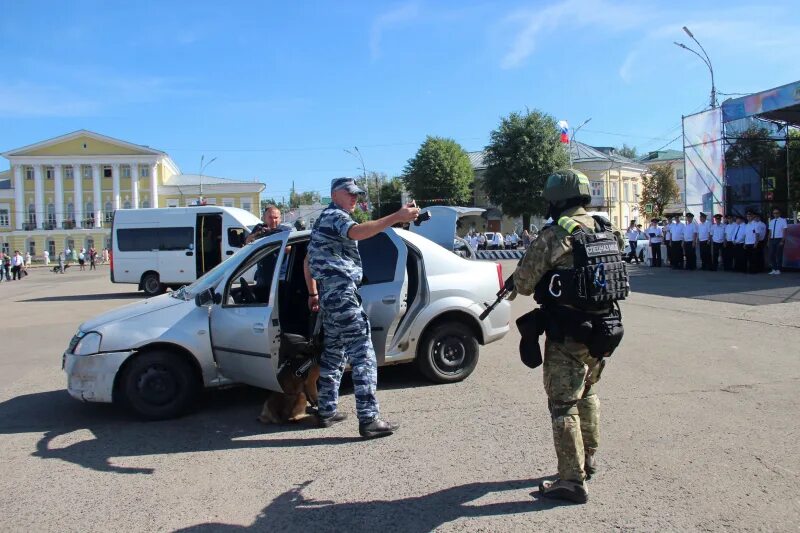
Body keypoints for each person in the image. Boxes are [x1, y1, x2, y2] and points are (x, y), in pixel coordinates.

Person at [512, 169, 627, 504]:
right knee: (588, 392)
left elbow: (523, 283)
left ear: (557, 199)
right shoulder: (608, 228)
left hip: (568, 333)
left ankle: (572, 481)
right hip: (606, 328)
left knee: (562, 404)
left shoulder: (554, 234)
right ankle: (588, 459)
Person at [306, 177, 419, 439]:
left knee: (334, 353)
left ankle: (326, 410)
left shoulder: (323, 220)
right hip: (341, 294)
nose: (355, 198)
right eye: (350, 193)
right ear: (335, 194)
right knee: (363, 354)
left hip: (330, 295)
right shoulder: (336, 216)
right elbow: (358, 232)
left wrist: (314, 292)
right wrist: (396, 216)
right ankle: (369, 419)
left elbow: (307, 261)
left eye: (357, 194)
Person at [767, 208, 788, 275]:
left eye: (777, 213)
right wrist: (768, 240)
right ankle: (774, 268)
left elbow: (785, 231)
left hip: (779, 239)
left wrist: (782, 240)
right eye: (774, 213)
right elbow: (770, 232)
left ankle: (778, 269)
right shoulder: (771, 221)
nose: (775, 214)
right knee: (771, 255)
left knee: (778, 255)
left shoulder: (783, 220)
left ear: (779, 213)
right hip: (772, 239)